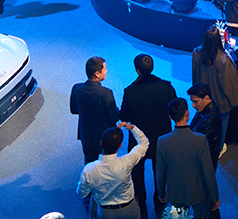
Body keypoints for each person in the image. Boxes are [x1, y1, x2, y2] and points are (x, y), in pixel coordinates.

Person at [120, 54, 177, 219]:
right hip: (161, 138)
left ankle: (142, 208)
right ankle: (159, 203)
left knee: (137, 174)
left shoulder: (130, 91)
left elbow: (124, 116)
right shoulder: (167, 86)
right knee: (160, 172)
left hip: (138, 141)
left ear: (137, 70)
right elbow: (174, 110)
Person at [156, 98, 219, 219]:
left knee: (180, 216)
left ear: (170, 117)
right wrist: (214, 197)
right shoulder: (200, 139)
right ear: (187, 113)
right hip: (199, 191)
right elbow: (208, 172)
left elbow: (160, 172)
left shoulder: (162, 141)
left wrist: (161, 193)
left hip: (176, 191)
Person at [77, 122, 150, 219]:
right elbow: (144, 143)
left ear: (101, 142)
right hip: (129, 209)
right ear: (120, 145)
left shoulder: (89, 169)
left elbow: (81, 193)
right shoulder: (127, 162)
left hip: (106, 213)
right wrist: (133, 128)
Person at [191, 26, 238, 154]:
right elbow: (228, 85)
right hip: (221, 101)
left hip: (203, 98)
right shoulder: (223, 59)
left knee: (203, 122)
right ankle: (218, 149)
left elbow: (194, 75)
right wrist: (234, 101)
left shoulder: (196, 53)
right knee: (222, 125)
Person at [71, 57, 121, 164]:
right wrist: (117, 109)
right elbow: (114, 117)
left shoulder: (76, 88)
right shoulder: (106, 93)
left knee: (89, 165)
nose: (106, 71)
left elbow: (74, 110)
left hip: (86, 135)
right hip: (105, 137)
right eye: (104, 69)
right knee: (107, 165)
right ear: (97, 74)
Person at [186, 83, 223, 171]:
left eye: (195, 101)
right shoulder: (204, 108)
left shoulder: (210, 119)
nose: (193, 105)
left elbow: (198, 144)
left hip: (205, 160)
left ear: (206, 98)